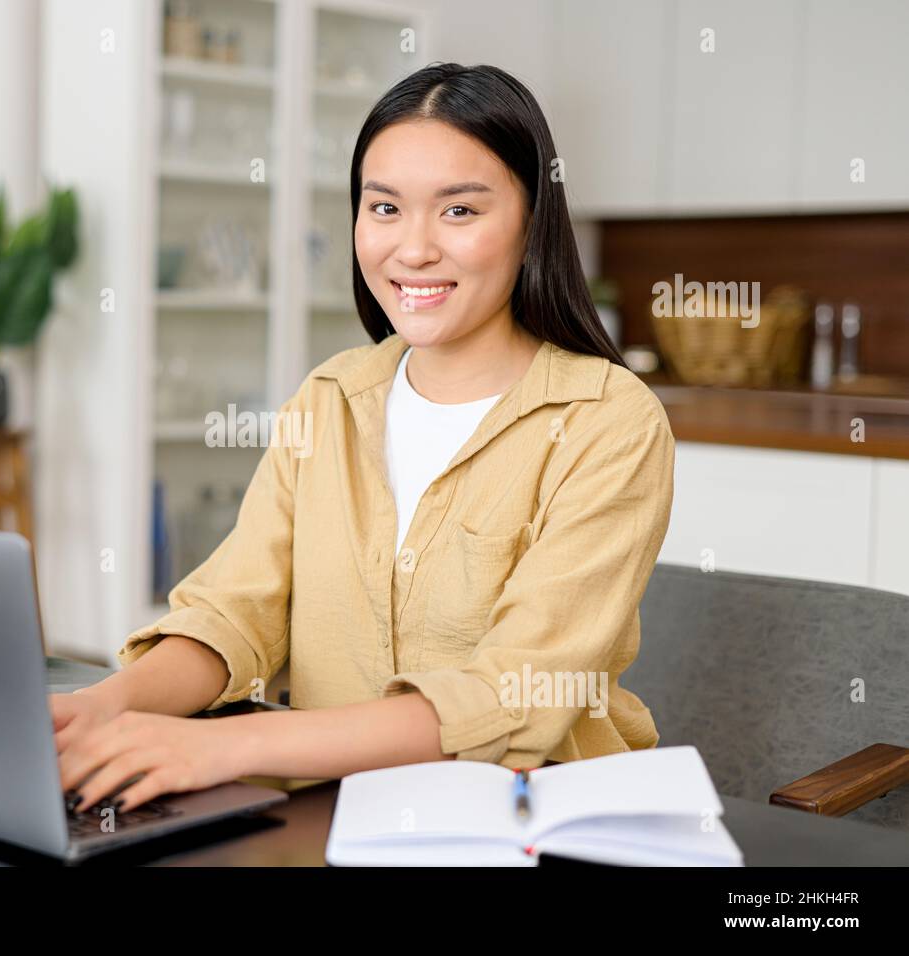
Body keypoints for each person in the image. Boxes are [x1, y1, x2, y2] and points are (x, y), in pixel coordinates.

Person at [51, 63, 674, 815]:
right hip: (333, 818)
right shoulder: (332, 399)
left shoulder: (608, 420)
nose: (411, 250)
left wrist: (223, 747)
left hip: (532, 824)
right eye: (384, 208)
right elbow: (233, 610)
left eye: (459, 212)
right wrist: (106, 706)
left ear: (532, 220)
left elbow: (512, 692)